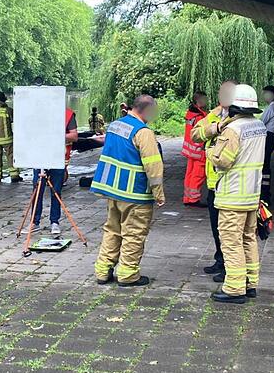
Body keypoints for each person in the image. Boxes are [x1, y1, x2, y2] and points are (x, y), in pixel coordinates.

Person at [92, 95, 165, 287]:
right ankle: (128, 274)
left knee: (112, 230)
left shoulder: (115, 125)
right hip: (136, 193)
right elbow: (153, 166)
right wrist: (158, 193)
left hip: (113, 191)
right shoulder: (143, 132)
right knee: (133, 233)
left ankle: (102, 270)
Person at [207, 84, 267, 304]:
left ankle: (234, 288)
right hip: (252, 195)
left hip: (233, 196)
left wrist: (210, 151)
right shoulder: (259, 126)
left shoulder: (233, 130)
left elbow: (223, 160)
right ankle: (250, 283)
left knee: (231, 242)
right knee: (248, 239)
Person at [191, 80, 237, 282]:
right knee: (216, 226)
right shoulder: (213, 114)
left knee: (230, 231)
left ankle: (230, 267)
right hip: (214, 184)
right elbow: (196, 134)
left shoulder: (241, 117)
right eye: (221, 91)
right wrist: (215, 127)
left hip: (231, 183)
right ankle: (220, 260)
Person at [28, 106, 79, 235]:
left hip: (58, 158)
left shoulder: (68, 114)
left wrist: (55, 136)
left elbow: (74, 136)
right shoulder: (37, 113)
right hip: (40, 157)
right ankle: (34, 222)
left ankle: (54, 222)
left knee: (56, 191)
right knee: (37, 189)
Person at [181, 91, 209, 206]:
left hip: (190, 149)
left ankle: (187, 198)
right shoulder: (200, 117)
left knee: (190, 173)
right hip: (199, 150)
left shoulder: (190, 114)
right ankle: (194, 199)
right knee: (198, 175)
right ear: (199, 101)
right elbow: (203, 133)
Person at [260, 85, 274, 203]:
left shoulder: (271, 108)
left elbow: (261, 122)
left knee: (264, 165)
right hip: (270, 137)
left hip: (268, 137)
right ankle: (265, 192)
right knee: (265, 165)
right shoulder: (272, 107)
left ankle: (264, 193)